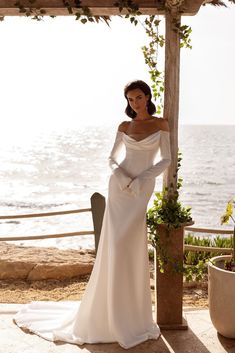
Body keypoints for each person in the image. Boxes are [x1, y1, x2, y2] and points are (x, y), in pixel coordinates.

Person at [13, 79, 171, 350]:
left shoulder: (161, 124)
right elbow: (111, 159)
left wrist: (141, 179)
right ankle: (109, 316)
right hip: (120, 189)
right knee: (116, 247)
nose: (134, 103)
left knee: (129, 248)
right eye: (130, 99)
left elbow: (165, 159)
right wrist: (123, 177)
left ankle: (133, 318)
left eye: (138, 98)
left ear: (147, 97)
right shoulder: (124, 126)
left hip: (141, 190)